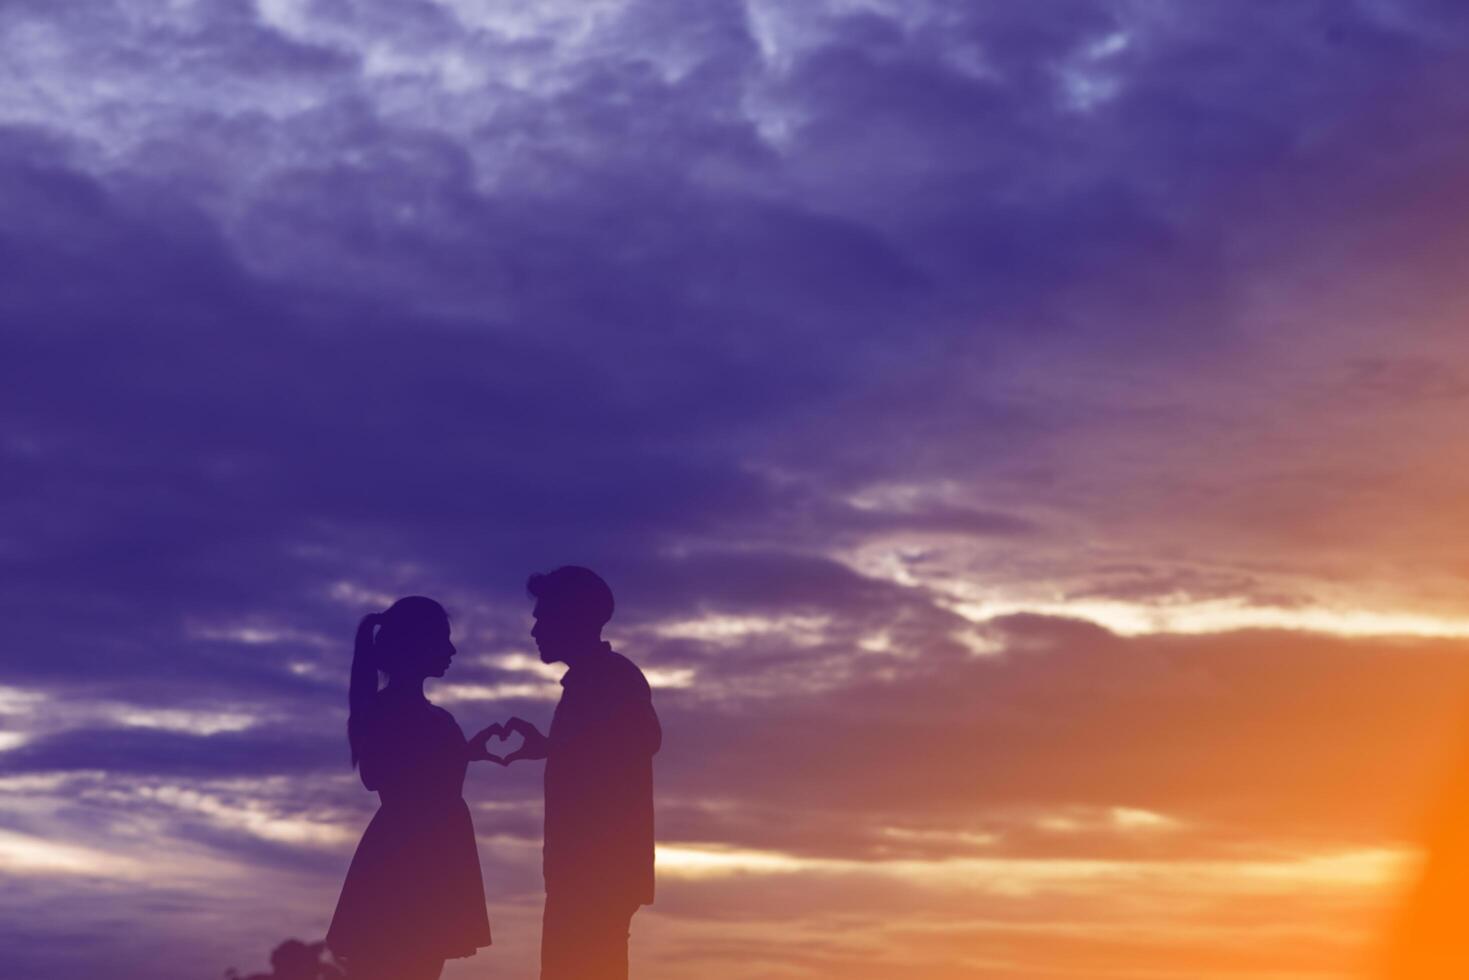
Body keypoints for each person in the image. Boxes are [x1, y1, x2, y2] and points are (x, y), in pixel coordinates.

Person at [326, 596, 504, 980]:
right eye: (443, 639)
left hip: (430, 858)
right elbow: (379, 775)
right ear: (416, 645)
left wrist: (466, 752)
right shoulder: (387, 710)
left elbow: (423, 774)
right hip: (406, 864)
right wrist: (451, 754)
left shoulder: (430, 714)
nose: (452, 649)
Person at [498, 567, 662, 980]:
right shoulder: (595, 681)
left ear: (572, 618)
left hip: (596, 874)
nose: (535, 629)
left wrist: (558, 748)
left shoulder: (613, 678)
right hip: (585, 871)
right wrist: (550, 748)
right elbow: (604, 754)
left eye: (543, 617)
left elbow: (639, 741)